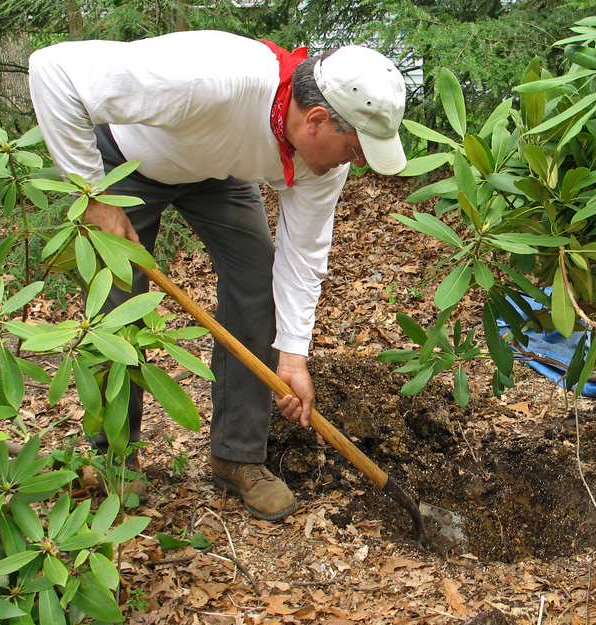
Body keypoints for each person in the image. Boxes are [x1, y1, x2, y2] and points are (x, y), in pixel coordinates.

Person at [28, 31, 407, 520]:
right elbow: (52, 71)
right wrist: (95, 197)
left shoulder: (323, 163)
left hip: (216, 170)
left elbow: (303, 255)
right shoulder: (209, 78)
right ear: (316, 120)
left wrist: (293, 358)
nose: (352, 163)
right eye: (354, 150)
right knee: (117, 300)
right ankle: (114, 457)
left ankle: (236, 457)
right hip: (128, 162)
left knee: (258, 281)